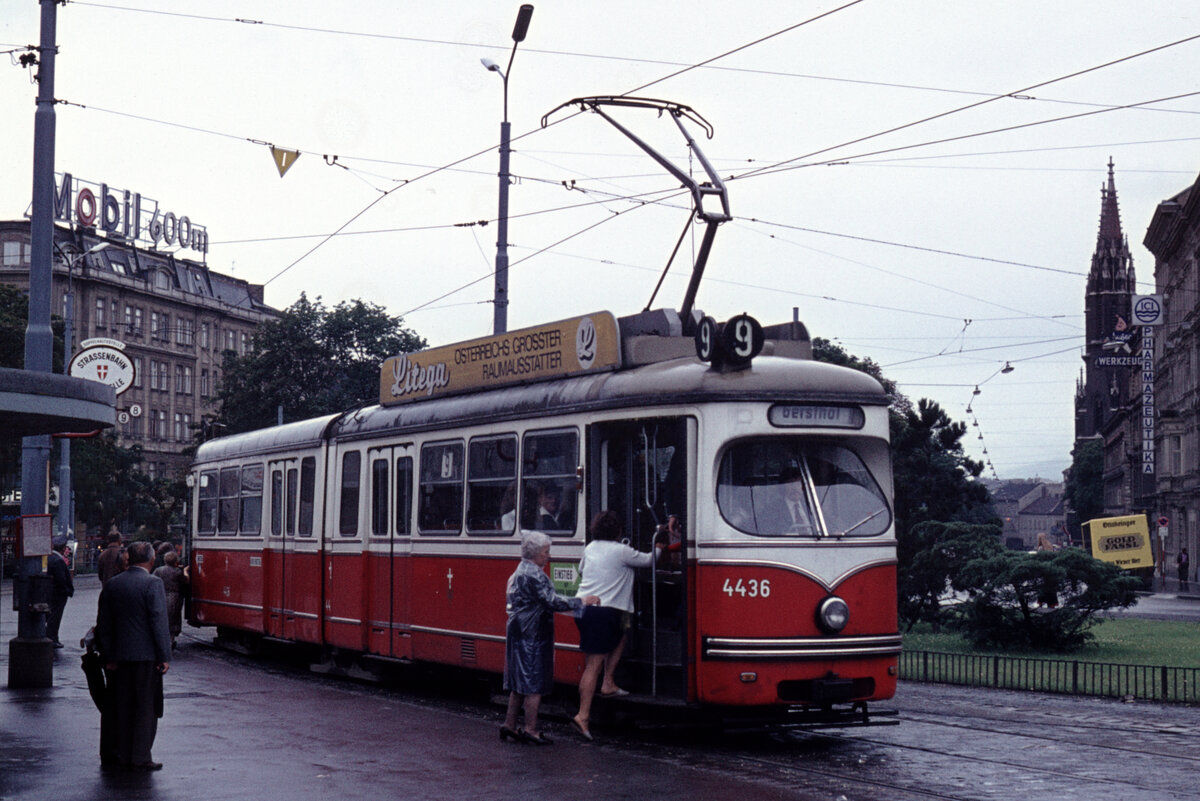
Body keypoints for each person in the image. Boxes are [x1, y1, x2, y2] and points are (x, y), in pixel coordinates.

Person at [571, 511, 664, 741]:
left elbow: (581, 570)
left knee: (622, 634)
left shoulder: (591, 548)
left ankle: (608, 682)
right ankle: (582, 715)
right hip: (603, 611)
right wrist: (659, 545)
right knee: (593, 665)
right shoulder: (621, 551)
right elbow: (649, 560)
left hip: (583, 609)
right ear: (618, 531)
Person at [502, 532, 598, 745]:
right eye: (546, 552)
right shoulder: (535, 575)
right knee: (533, 683)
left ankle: (509, 725)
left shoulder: (521, 569)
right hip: (533, 634)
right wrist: (582, 601)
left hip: (518, 630)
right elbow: (552, 601)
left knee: (519, 683)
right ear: (536, 553)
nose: (548, 556)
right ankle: (531, 729)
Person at [94, 541, 171, 771]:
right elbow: (158, 621)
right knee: (145, 707)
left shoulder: (113, 584)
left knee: (120, 705)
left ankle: (119, 752)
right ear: (151, 559)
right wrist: (164, 655)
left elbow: (103, 623)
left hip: (118, 657)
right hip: (145, 656)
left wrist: (108, 655)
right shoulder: (153, 583)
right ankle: (140, 756)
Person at [759, 466, 817, 535]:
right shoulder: (772, 510)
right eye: (790, 484)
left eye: (798, 484)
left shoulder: (812, 505)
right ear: (783, 486)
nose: (795, 488)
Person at [153, 550, 189, 648]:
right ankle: (171, 639)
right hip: (174, 597)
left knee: (161, 617)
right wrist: (185, 571)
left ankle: (160, 638)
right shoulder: (177, 572)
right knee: (174, 618)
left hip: (161, 595)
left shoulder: (158, 570)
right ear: (175, 561)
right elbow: (185, 581)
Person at [46, 539, 75, 648]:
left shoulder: (50, 557)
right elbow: (61, 579)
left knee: (51, 615)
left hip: (51, 592)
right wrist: (66, 591)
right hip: (58, 594)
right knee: (55, 617)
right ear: (63, 549)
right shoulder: (58, 560)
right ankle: (53, 638)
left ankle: (51, 637)